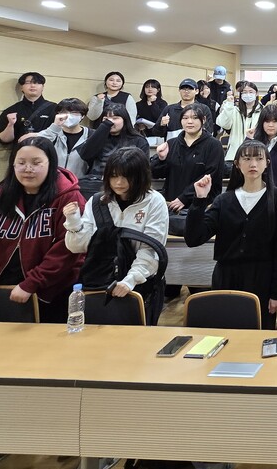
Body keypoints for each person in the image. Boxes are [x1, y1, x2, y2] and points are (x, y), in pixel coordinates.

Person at [0, 135, 85, 469]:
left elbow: (69, 251)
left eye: (36, 163)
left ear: (51, 165)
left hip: (49, 293)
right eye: (21, 163)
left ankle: (52, 427)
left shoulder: (67, 197)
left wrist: (33, 283)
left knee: (46, 366)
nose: (28, 169)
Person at [186, 140, 277, 330]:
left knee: (259, 336)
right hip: (226, 278)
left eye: (259, 159)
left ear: (267, 163)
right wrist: (199, 200)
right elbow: (194, 238)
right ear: (237, 164)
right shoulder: (223, 200)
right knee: (226, 333)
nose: (253, 164)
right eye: (247, 159)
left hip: (262, 279)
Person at [63, 146, 168, 322]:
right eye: (113, 176)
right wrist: (73, 222)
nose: (119, 182)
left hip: (141, 283)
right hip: (100, 280)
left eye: (126, 176)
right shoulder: (97, 201)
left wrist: (130, 281)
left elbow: (150, 250)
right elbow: (77, 247)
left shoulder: (154, 202)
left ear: (140, 176)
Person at [150, 103, 224, 226]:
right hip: (172, 205)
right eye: (185, 118)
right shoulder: (172, 143)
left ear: (203, 120)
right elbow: (157, 173)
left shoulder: (214, 145)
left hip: (201, 205)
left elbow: (211, 175)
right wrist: (161, 159)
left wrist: (184, 198)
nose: (189, 121)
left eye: (194, 118)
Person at [74, 103, 150, 199]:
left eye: (115, 118)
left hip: (126, 185)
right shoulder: (97, 137)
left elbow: (142, 168)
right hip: (97, 185)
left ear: (125, 120)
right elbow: (85, 155)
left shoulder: (138, 140)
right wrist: (103, 128)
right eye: (106, 119)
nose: (110, 122)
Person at [0, 71, 57, 145]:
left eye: (37, 82)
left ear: (43, 87)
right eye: (28, 82)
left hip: (47, 150)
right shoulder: (12, 110)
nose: (32, 85)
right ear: (21, 87)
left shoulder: (55, 108)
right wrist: (10, 124)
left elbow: (59, 134)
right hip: (21, 150)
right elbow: (4, 140)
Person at [34, 97, 91, 176]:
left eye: (74, 112)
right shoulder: (53, 133)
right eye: (64, 112)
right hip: (55, 180)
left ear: (82, 116)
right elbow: (35, 145)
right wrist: (55, 127)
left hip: (80, 181)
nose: (68, 116)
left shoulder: (90, 135)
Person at [217, 81, 263, 168]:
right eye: (244, 92)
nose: (248, 94)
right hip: (234, 155)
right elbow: (223, 124)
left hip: (256, 155)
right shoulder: (235, 110)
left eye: (251, 92)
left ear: (256, 93)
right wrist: (229, 105)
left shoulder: (263, 111)